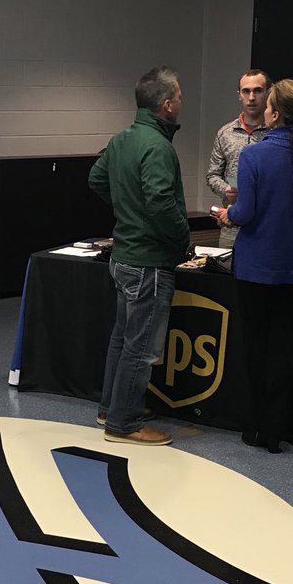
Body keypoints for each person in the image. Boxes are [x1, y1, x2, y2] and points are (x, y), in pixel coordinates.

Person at [215, 78, 293, 454]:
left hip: (254, 269)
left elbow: (247, 213)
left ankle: (257, 426)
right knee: (286, 350)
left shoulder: (255, 155)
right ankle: (280, 427)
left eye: (265, 103)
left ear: (275, 112)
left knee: (256, 348)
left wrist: (227, 215)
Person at [88, 66, 189, 446]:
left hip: (124, 257)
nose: (181, 102)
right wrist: (181, 238)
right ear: (167, 105)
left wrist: (126, 208)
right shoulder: (158, 146)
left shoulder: (122, 138)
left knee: (123, 338)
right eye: (179, 97)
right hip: (148, 262)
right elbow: (161, 202)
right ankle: (125, 423)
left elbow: (96, 179)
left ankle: (110, 408)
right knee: (142, 347)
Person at [206, 69, 271, 248]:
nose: (251, 97)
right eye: (246, 91)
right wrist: (225, 188)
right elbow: (212, 175)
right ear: (239, 95)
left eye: (257, 91)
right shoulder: (225, 133)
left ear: (268, 93)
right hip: (231, 226)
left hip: (265, 227)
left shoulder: (276, 133)